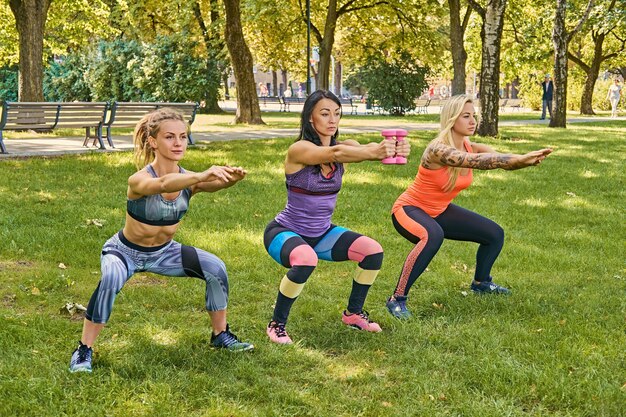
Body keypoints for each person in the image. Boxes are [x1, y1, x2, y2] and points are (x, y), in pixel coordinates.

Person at [69, 108, 253, 373]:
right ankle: (84, 350)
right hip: (125, 251)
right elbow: (165, 183)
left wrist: (230, 179)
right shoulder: (139, 180)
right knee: (109, 279)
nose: (178, 143)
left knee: (216, 268)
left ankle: (220, 335)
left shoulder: (190, 181)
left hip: (164, 252)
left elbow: (210, 184)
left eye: (182, 136)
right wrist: (201, 175)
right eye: (169, 137)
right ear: (153, 141)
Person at [385, 94, 552, 320]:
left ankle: (481, 282)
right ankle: (397, 299)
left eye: (474, 115)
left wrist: (522, 160)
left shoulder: (470, 145)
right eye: (466, 116)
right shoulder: (438, 149)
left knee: (494, 233)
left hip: (440, 210)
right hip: (409, 210)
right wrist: (514, 159)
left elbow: (499, 160)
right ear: (452, 119)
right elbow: (478, 162)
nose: (473, 121)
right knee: (433, 235)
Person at [263, 90, 410, 344]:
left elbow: (359, 149)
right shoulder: (299, 150)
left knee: (372, 251)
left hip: (322, 234)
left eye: (337, 113)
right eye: (324, 113)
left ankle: (353, 314)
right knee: (306, 259)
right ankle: (277, 325)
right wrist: (377, 152)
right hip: (285, 232)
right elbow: (335, 154)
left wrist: (393, 148)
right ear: (310, 118)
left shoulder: (345, 146)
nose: (332, 119)